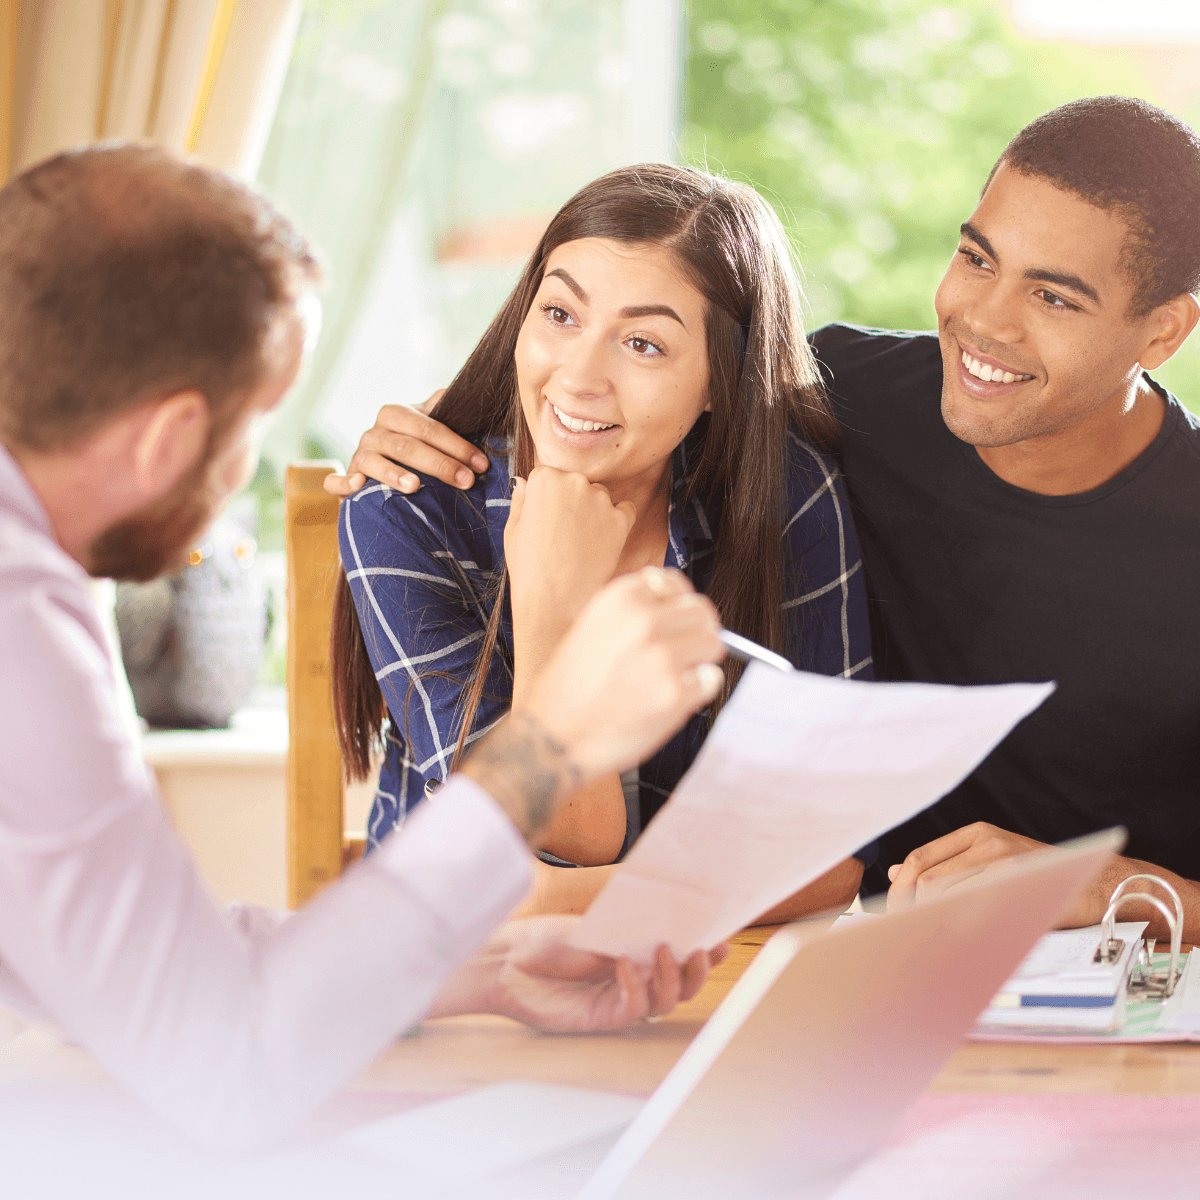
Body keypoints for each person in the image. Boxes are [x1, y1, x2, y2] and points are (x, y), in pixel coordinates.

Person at [329, 96, 1200, 941]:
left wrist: (1121, 885)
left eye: (1053, 298)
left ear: (1162, 334)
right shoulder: (842, 409)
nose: (982, 321)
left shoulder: (795, 474)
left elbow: (814, 862)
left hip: (1125, 987)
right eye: (977, 258)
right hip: (838, 969)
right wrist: (454, 427)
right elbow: (610, 378)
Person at [0, 145, 726, 1147]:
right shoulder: (20, 620)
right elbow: (226, 1066)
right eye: (255, 424)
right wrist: (548, 743)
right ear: (168, 437)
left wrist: (478, 973)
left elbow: (125, 974)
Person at [328, 163, 873, 920]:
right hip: (445, 979)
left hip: (694, 971)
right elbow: (568, 834)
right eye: (560, 315)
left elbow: (833, 856)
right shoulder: (410, 506)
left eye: (643, 344)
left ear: (722, 377)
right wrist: (557, 599)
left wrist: (562, 900)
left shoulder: (782, 495)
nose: (578, 378)